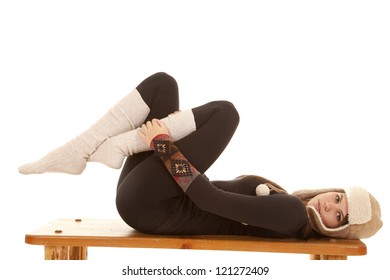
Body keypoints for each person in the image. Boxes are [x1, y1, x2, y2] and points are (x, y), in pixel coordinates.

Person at [19, 72, 382, 240]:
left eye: (339, 217)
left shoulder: (291, 215)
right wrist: (172, 136)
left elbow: (207, 198)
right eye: (338, 199)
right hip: (149, 200)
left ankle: (109, 148)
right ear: (332, 190)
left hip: (154, 207)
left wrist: (164, 142)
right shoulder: (289, 206)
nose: (329, 207)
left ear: (339, 232)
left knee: (227, 113)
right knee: (163, 86)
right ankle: (80, 151)